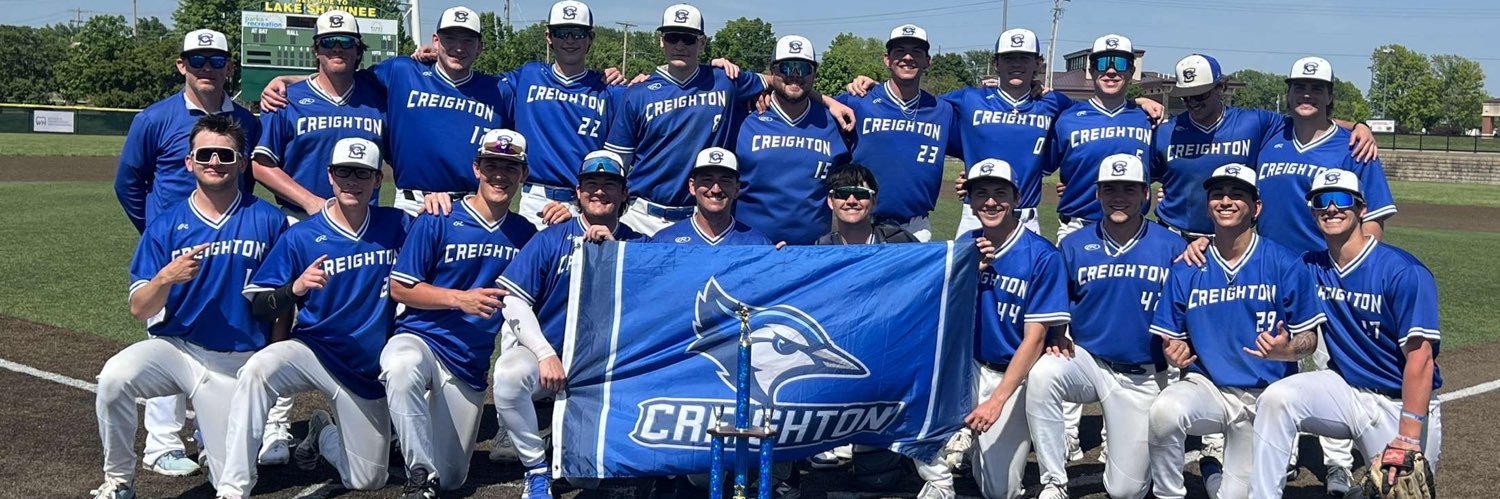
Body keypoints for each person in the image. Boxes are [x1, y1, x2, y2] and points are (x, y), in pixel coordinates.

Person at [91, 115, 286, 499]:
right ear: (189, 162)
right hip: (178, 348)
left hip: (237, 361)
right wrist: (166, 277)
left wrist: (273, 357)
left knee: (233, 486)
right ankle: (119, 482)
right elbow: (139, 308)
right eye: (206, 154)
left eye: (226, 155)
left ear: (243, 163)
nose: (215, 162)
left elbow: (283, 303)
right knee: (114, 378)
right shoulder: (165, 224)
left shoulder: (270, 220)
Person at [218, 138, 406, 498]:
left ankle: (324, 434)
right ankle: (233, 487)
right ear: (330, 177)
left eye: (362, 173)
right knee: (258, 371)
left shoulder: (398, 224)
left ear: (378, 180)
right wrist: (297, 289)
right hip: (314, 351)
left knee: (367, 481)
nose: (352, 181)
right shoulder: (301, 236)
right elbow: (260, 305)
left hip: (365, 370)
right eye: (344, 172)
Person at [112, 29, 264, 476]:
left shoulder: (245, 121)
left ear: (229, 66)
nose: (207, 69)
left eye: (216, 61)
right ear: (182, 65)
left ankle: (211, 430)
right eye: (197, 60)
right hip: (176, 245)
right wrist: (159, 232)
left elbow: (248, 184)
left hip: (232, 244)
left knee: (223, 329)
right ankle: (162, 443)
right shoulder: (155, 119)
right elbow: (128, 183)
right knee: (168, 336)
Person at [1248, 170, 1443, 498]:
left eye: (1342, 200)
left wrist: (1408, 435)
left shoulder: (1402, 271)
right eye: (1321, 201)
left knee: (1401, 490)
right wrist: (1287, 349)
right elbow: (1252, 262)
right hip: (1346, 392)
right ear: (1312, 212)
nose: (1331, 208)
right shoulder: (1309, 266)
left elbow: (1421, 359)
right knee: (1277, 399)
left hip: (1399, 403)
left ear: (1362, 209)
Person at [1146, 164, 1327, 499]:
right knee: (1164, 412)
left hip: (1263, 397)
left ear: (1256, 207)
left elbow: (1308, 340)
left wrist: (1287, 351)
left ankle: (1214, 476)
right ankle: (1168, 495)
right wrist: (1175, 350)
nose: (1225, 201)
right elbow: (1171, 335)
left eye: (1237, 195)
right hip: (1207, 388)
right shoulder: (1189, 265)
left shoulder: (1284, 263)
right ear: (1208, 205)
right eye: (1217, 195)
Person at [383, 129, 537, 496]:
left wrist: (567, 216)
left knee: (453, 478)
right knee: (399, 365)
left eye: (510, 167)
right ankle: (418, 473)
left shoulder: (526, 234)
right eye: (491, 165)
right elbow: (400, 287)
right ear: (476, 168)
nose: (500, 174)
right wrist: (459, 299)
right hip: (420, 340)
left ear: (524, 175)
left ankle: (429, 463)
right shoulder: (439, 217)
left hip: (468, 360)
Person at [1025, 154, 1184, 499]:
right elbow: (1053, 304)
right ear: (1097, 194)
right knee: (1043, 374)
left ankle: (1137, 462)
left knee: (1126, 491)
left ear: (1146, 194)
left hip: (1141, 377)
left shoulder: (1172, 246)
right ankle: (1054, 482)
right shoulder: (1074, 244)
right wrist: (1055, 335)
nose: (1118, 197)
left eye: (1128, 189)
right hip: (1089, 362)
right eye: (1109, 189)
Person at [494, 150, 646, 498]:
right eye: (591, 184)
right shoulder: (551, 239)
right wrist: (545, 354)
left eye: (610, 184)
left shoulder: (639, 245)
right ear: (577, 192)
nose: (599, 191)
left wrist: (612, 257)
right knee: (508, 375)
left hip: (609, 371)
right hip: (554, 359)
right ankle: (535, 468)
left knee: (585, 479)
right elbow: (513, 299)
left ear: (625, 194)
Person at [918, 158, 1070, 499]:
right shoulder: (962, 248)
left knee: (998, 490)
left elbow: (1035, 340)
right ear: (969, 200)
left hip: (1012, 375)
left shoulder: (1042, 255)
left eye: (1000, 192)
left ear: (1017, 198)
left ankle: (975, 445)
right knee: (915, 381)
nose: (990, 201)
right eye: (981, 193)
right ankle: (939, 479)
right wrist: (969, 270)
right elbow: (935, 311)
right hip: (966, 369)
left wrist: (996, 401)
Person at [262, 6, 509, 216]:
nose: (458, 47)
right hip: (412, 204)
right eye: (450, 38)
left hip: (472, 205)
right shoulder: (401, 71)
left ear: (480, 47)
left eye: (467, 40)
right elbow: (340, 76)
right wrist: (289, 80)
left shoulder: (499, 89)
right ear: (436, 41)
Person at [1151, 54, 1378, 240]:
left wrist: (1359, 126)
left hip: (1228, 243)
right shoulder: (1165, 132)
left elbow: (1308, 115)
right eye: (1185, 97)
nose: (1192, 103)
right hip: (1173, 237)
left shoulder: (1254, 123)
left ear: (1220, 87)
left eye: (1199, 95)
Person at [251, 10, 385, 223]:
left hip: (365, 221)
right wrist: (310, 202)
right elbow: (261, 165)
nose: (337, 48)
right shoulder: (285, 98)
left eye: (347, 42)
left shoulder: (377, 99)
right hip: (301, 217)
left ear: (358, 51)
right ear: (316, 50)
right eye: (328, 42)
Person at [833, 24, 961, 242]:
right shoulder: (858, 100)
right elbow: (810, 115)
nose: (907, 57)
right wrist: (768, 95)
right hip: (861, 222)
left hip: (916, 226)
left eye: (916, 52)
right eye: (899, 51)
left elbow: (977, 147)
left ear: (928, 61)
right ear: (886, 59)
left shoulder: (943, 110)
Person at [1256, 57, 1396, 256]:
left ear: (1329, 97)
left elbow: (1373, 217)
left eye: (1316, 89)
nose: (1306, 94)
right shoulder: (1269, 136)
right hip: (1269, 266)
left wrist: (1359, 267)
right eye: (1299, 87)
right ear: (1288, 95)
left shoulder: (1356, 147)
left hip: (1325, 272)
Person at [732, 35, 852, 246]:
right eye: (786, 68)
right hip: (749, 249)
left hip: (813, 252)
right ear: (772, 72)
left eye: (803, 68)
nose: (795, 75)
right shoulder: (744, 116)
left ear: (814, 73)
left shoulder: (835, 121)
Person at [1048, 34, 1154, 241]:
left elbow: (1168, 170)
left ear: (1132, 71)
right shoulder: (1067, 119)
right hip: (1078, 226)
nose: (1111, 71)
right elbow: (1034, 168)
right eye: (1103, 63)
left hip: (1135, 230)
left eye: (1121, 63)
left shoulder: (1148, 118)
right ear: (1092, 69)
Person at [649, 148, 772, 245]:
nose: (715, 189)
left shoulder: (758, 243)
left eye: (725, 181)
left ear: (736, 189)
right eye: (707, 180)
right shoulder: (665, 241)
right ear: (692, 186)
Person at [815, 164, 918, 245]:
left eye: (861, 193)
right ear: (830, 201)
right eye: (843, 193)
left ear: (873, 201)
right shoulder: (822, 249)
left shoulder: (900, 241)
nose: (851, 201)